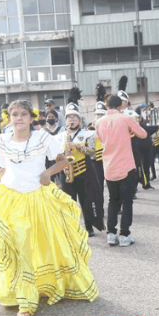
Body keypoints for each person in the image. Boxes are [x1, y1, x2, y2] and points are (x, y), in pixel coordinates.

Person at [0, 99, 98, 316]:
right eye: (14, 115)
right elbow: (2, 172)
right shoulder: (2, 140)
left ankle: (43, 287)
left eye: (23, 114)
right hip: (11, 200)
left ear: (31, 118)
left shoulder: (43, 137)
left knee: (44, 246)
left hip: (37, 200)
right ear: (9, 118)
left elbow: (63, 161)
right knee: (18, 248)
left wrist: (47, 173)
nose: (19, 119)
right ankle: (26, 301)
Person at [95, 94, 147, 246]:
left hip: (109, 166)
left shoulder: (99, 122)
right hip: (126, 166)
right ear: (120, 106)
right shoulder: (125, 119)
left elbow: (100, 139)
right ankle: (124, 234)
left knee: (113, 200)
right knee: (127, 201)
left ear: (106, 106)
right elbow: (143, 134)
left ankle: (111, 233)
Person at [59, 97, 105, 237]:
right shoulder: (60, 136)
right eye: (69, 117)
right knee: (69, 202)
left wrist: (77, 146)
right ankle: (72, 228)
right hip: (66, 172)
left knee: (86, 200)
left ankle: (89, 227)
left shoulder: (88, 134)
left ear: (79, 120)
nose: (71, 120)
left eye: (74, 117)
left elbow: (92, 153)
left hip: (84, 171)